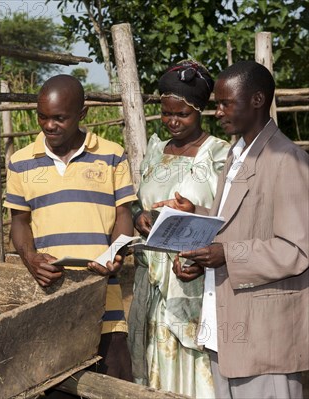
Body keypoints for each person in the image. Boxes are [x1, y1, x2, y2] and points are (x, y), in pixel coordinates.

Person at [156, 60, 308, 398]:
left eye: (226, 103)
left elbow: (296, 251)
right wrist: (194, 213)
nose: (218, 112)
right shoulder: (237, 154)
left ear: (256, 100)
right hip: (226, 325)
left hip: (265, 339)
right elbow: (240, 221)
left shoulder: (288, 161)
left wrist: (225, 254)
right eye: (217, 104)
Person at [4, 74, 137, 381]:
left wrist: (115, 254)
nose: (49, 126)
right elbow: (19, 224)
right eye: (42, 117)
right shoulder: (21, 162)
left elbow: (123, 215)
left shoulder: (111, 155)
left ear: (82, 113)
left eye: (60, 118)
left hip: (104, 293)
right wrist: (31, 259)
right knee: (55, 385)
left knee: (114, 381)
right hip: (51, 296)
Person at [128, 60, 230, 397]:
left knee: (198, 370)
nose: (172, 121)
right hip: (156, 286)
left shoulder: (220, 155)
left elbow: (233, 218)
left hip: (197, 282)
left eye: (182, 115)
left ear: (200, 112)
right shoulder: (155, 152)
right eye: (166, 113)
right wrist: (140, 216)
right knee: (156, 365)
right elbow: (144, 203)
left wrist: (197, 214)